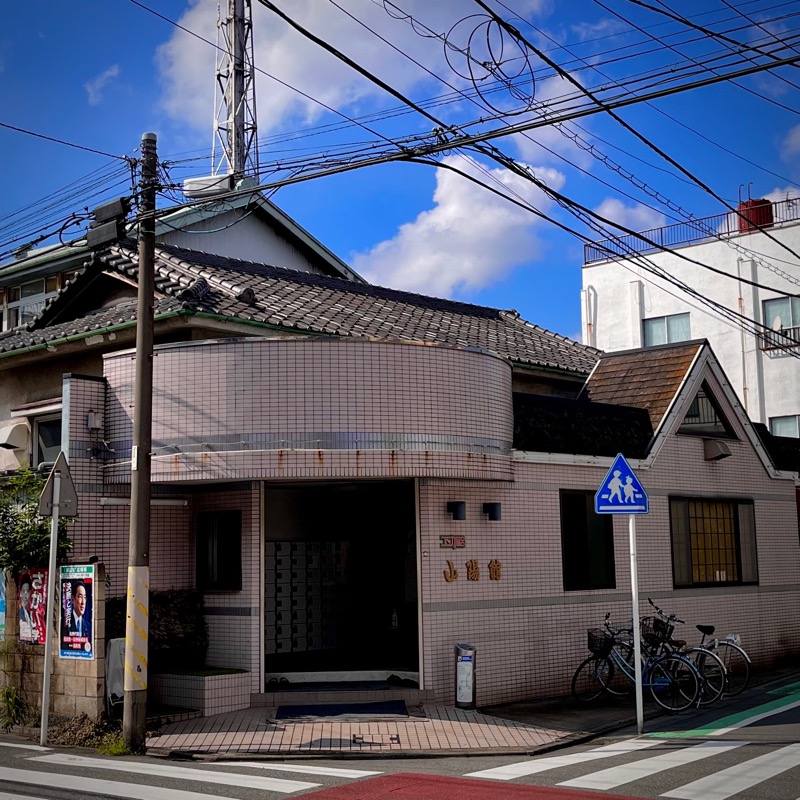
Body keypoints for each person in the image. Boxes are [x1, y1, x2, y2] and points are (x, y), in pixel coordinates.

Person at [18, 572, 35, 640]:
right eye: (23, 591)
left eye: (27, 591)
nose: (25, 595)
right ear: (20, 593)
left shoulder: (34, 612)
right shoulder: (19, 613)